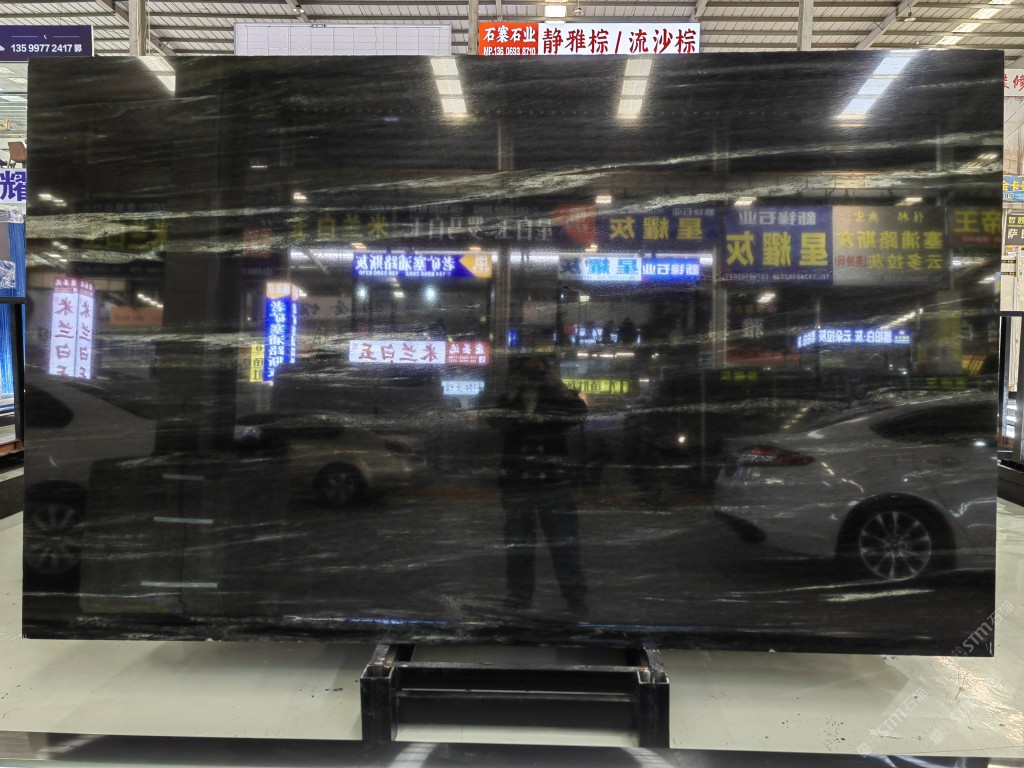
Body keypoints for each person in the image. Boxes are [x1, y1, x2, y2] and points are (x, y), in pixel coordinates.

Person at [490, 356, 588, 615]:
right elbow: (495, 421)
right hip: (518, 482)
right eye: (528, 373)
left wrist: (561, 389)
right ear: (517, 375)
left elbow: (579, 414)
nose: (533, 378)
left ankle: (575, 597)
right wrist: (512, 394)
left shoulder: (555, 397)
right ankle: (519, 595)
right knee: (519, 545)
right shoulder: (510, 399)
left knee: (563, 543)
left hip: (552, 481)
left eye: (539, 373)